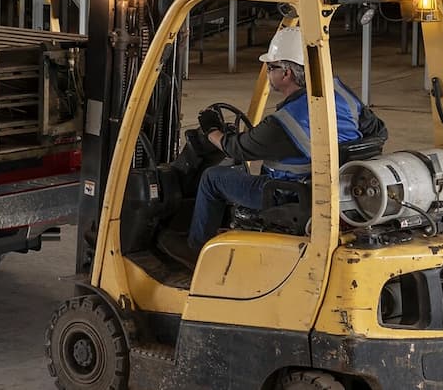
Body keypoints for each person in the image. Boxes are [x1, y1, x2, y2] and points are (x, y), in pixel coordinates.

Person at [159, 26, 387, 268]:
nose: (268, 73)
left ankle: (195, 251)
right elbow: (378, 132)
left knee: (213, 178)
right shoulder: (340, 94)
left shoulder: (285, 122)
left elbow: (236, 148)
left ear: (286, 73)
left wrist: (212, 131)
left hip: (288, 194)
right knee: (239, 172)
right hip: (338, 189)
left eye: (271, 68)